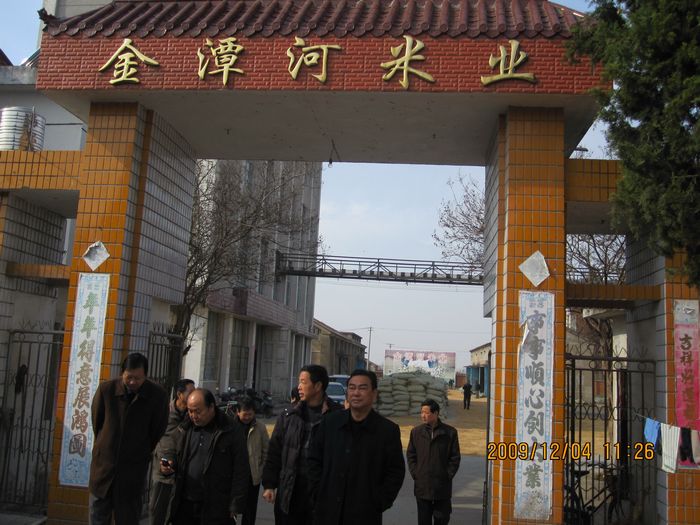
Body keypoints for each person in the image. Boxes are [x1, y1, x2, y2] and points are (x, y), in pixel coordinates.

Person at [308, 369, 405, 525]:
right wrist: (317, 493)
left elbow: (395, 471)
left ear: (374, 394)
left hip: (364, 515)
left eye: (362, 388)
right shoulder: (330, 423)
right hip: (327, 512)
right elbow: (314, 460)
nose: (356, 393)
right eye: (352, 388)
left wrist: (379, 502)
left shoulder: (387, 431)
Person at [89, 352, 169, 525]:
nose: (132, 382)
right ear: (122, 373)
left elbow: (157, 430)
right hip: (104, 470)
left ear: (146, 376)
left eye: (137, 378)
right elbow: (97, 423)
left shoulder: (157, 396)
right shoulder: (106, 390)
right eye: (129, 377)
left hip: (132, 472)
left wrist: (140, 449)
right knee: (98, 517)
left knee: (128, 518)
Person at [262, 364, 341, 524]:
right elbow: (274, 452)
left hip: (322, 494)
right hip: (291, 493)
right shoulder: (289, 416)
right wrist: (269, 484)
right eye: (299, 382)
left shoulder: (337, 416)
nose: (298, 387)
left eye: (303, 382)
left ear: (318, 386)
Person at [164, 388, 250, 525]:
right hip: (185, 502)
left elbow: (241, 468)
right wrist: (168, 462)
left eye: (198, 411)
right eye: (190, 411)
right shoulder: (185, 427)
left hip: (216, 504)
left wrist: (235, 503)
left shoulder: (230, 429)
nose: (193, 415)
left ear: (211, 407)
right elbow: (171, 449)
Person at [406, 399, 461, 525]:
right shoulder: (416, 432)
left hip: (441, 487)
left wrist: (447, 475)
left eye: (426, 413)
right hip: (422, 487)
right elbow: (411, 455)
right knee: (423, 521)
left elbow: (455, 458)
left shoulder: (449, 433)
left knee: (442, 519)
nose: (423, 415)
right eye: (421, 412)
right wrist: (416, 473)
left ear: (436, 413)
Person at [150, 378, 196, 525]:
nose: (194, 395)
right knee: (158, 509)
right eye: (190, 392)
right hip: (164, 468)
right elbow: (158, 437)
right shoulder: (164, 412)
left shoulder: (193, 415)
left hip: (185, 470)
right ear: (180, 394)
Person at [234, 397, 270, 525]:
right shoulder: (231, 427)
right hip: (233, 477)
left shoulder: (260, 427)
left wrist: (261, 470)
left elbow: (266, 451)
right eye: (245, 414)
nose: (247, 417)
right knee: (231, 509)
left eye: (250, 414)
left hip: (252, 477)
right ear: (238, 412)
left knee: (249, 511)